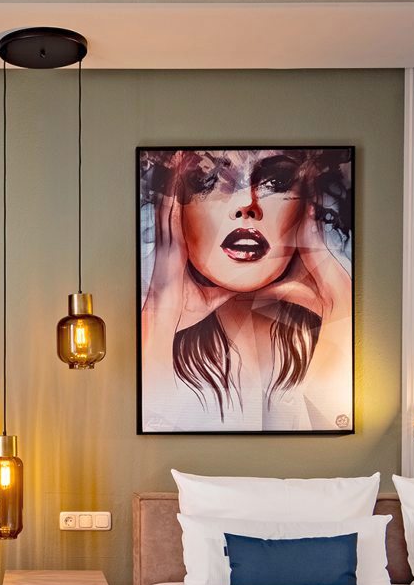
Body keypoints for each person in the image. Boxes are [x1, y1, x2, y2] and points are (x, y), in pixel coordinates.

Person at [139, 148, 353, 432]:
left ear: (307, 205)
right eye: (210, 179)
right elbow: (149, 436)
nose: (246, 204)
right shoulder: (154, 337)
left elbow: (339, 432)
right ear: (175, 211)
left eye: (276, 181)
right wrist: (162, 315)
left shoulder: (322, 333)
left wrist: (339, 303)